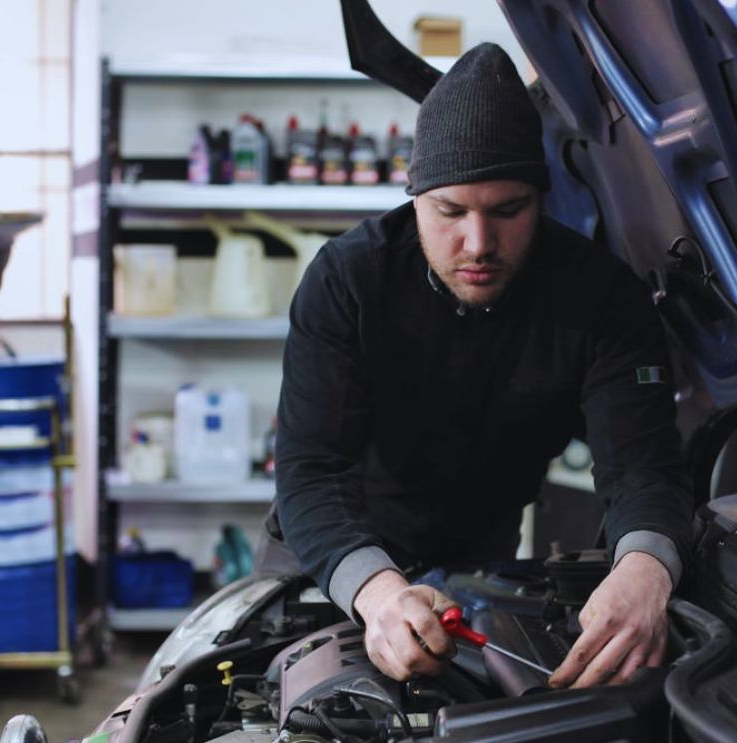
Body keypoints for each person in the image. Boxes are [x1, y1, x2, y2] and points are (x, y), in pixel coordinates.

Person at [271, 42, 692, 690]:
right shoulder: (348, 282)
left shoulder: (601, 298)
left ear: (539, 198)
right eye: (450, 211)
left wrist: (644, 568)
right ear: (413, 198)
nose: (478, 243)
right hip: (332, 561)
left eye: (507, 210)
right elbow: (309, 472)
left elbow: (641, 463)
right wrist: (379, 592)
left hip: (478, 567)